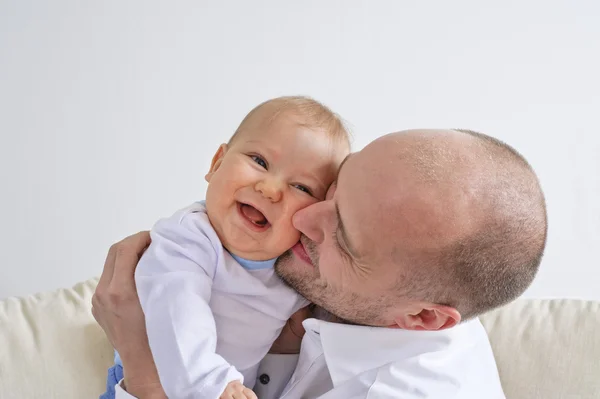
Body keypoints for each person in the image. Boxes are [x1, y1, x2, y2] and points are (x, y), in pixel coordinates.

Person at [93, 128, 547, 399]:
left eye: (343, 237)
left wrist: (148, 377)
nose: (302, 216)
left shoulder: (404, 388)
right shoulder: (362, 292)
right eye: (332, 188)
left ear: (422, 317)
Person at [99, 96, 351, 399]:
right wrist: (213, 383)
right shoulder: (190, 238)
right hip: (158, 381)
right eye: (259, 161)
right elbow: (178, 313)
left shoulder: (292, 265)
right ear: (216, 163)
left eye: (302, 187)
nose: (269, 189)